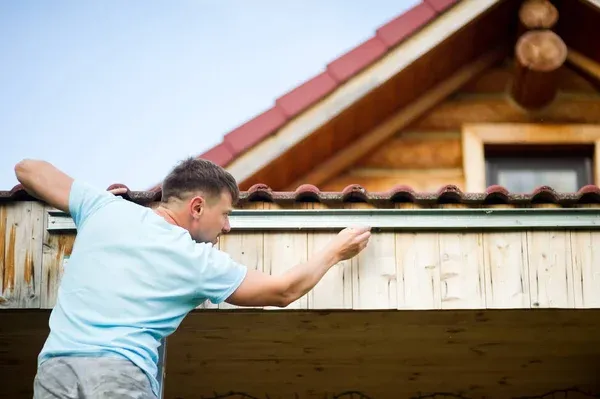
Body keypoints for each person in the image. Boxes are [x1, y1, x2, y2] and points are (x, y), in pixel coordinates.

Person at [14, 157, 371, 399]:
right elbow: (283, 291)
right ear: (197, 207)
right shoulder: (196, 260)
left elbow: (27, 168)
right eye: (226, 214)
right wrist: (335, 251)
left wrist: (94, 206)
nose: (227, 226)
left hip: (54, 374)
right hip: (118, 378)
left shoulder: (102, 209)